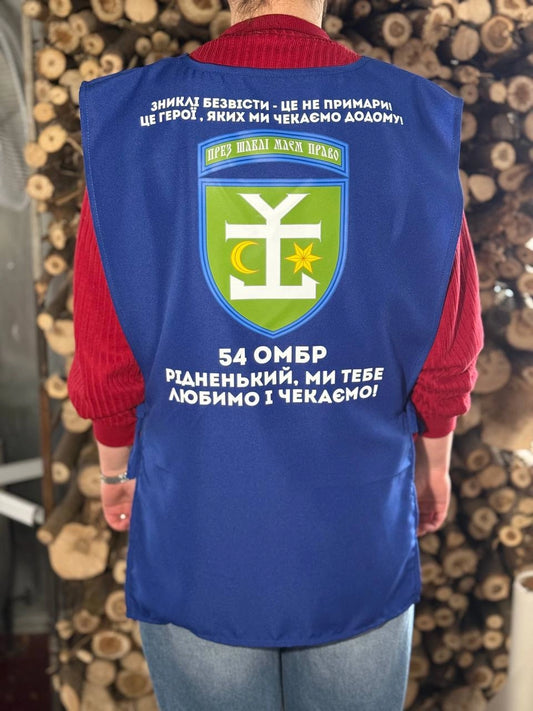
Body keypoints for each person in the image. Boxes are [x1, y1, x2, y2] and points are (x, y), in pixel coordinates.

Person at [67, 0, 484, 708]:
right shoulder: (407, 117)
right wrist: (434, 457)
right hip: (354, 524)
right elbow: (449, 340)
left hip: (198, 522)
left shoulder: (136, 121)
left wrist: (114, 467)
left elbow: (106, 348)